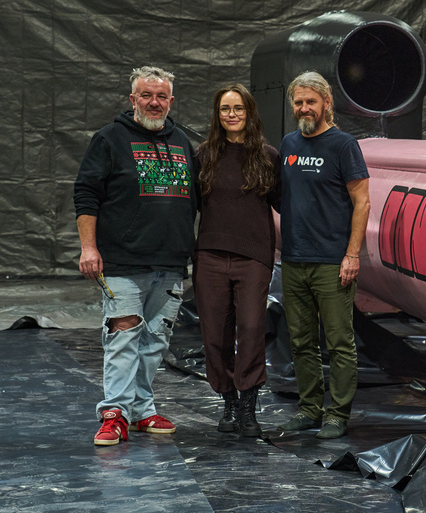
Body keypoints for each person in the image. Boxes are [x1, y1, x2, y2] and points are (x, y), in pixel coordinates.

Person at [74, 65, 197, 447]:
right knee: (124, 337)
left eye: (161, 96)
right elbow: (86, 193)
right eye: (146, 95)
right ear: (133, 99)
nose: (154, 102)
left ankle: (142, 410)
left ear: (171, 101)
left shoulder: (182, 142)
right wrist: (89, 247)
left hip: (170, 263)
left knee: (155, 341)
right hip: (123, 262)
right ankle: (114, 413)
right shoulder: (109, 138)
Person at [275, 70, 370, 439]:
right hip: (294, 259)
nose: (304, 108)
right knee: (301, 342)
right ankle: (310, 409)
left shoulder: (344, 145)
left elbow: (362, 202)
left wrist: (352, 255)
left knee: (339, 342)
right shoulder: (288, 144)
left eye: (311, 101)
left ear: (326, 103)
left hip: (332, 262)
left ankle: (337, 414)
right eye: (298, 102)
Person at [194, 84, 281, 437]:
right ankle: (228, 402)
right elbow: (190, 205)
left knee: (250, 330)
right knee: (214, 335)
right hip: (210, 257)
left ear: (250, 112)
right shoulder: (203, 156)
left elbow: (284, 202)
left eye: (238, 108)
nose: (232, 115)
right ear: (217, 114)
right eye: (225, 109)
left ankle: (248, 407)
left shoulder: (268, 156)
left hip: (254, 257)